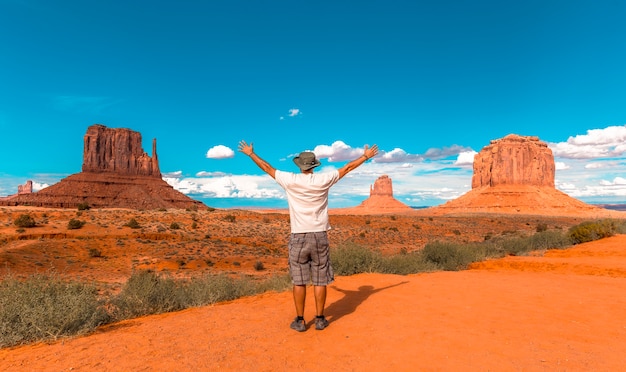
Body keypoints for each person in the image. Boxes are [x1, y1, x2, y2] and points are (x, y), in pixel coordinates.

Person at [238, 140, 379, 332]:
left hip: (298, 236)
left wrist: (250, 153)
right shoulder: (324, 180)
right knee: (320, 279)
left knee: (299, 280)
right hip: (319, 235)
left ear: (300, 165)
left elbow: (267, 167)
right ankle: (320, 319)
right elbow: (347, 168)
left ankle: (300, 320)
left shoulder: (290, 180)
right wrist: (366, 156)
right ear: (313, 166)